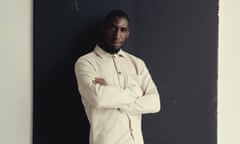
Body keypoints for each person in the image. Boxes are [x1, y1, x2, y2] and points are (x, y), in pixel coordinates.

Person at [74, 10, 161, 144]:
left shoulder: (137, 63)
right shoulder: (86, 62)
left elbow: (155, 103)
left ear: (128, 33)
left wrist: (115, 96)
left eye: (122, 30)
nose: (117, 35)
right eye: (113, 28)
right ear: (105, 29)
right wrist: (135, 92)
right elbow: (99, 98)